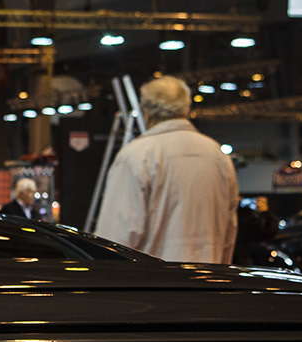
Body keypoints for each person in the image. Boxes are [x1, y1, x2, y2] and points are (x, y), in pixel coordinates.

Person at [93, 74, 239, 264]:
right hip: (208, 276)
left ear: (147, 111)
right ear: (186, 108)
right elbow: (229, 229)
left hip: (154, 279)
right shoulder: (217, 155)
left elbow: (115, 236)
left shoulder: (137, 154)